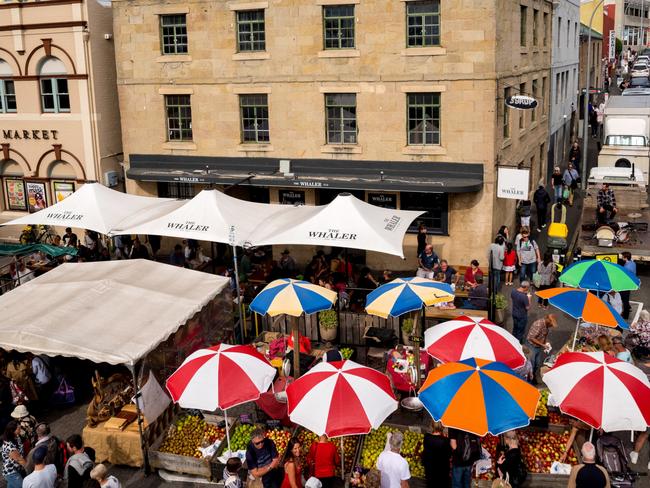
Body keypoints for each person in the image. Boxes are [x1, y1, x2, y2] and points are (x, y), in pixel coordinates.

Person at [525, 314, 558, 383]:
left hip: (538, 346)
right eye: (551, 324)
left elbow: (545, 335)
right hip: (531, 346)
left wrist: (546, 343)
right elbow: (531, 338)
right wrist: (542, 344)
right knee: (531, 364)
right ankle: (528, 381)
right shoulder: (538, 324)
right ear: (548, 321)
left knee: (537, 364)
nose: (551, 326)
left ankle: (532, 376)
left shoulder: (547, 326)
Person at [422, 421, 451, 488]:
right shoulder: (445, 441)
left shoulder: (426, 437)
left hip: (430, 468)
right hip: (441, 470)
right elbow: (449, 455)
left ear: (432, 426)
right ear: (442, 427)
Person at [1, 420, 26, 488]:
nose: (20, 429)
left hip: (18, 468)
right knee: (23, 486)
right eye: (18, 428)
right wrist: (30, 469)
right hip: (11, 472)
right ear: (12, 431)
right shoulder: (8, 445)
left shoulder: (17, 437)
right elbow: (20, 459)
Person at [621, 252, 636, 319]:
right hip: (630, 283)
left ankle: (625, 315)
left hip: (625, 285)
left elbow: (623, 277)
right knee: (625, 297)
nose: (621, 257)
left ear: (625, 258)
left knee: (624, 299)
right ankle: (629, 307)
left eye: (622, 256)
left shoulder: (627, 267)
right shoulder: (632, 263)